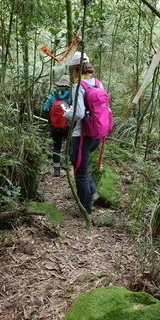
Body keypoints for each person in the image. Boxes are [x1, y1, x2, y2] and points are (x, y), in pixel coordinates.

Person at [63, 52, 103, 214]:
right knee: (80, 166)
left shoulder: (78, 86)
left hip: (81, 136)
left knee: (79, 172)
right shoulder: (98, 84)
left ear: (74, 69)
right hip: (96, 135)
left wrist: (66, 112)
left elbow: (78, 113)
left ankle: (86, 208)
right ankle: (92, 192)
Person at [43, 74, 71, 176]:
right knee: (70, 144)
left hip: (54, 127)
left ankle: (56, 170)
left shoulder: (53, 95)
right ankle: (67, 164)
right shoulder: (71, 95)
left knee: (56, 147)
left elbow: (45, 108)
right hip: (67, 126)